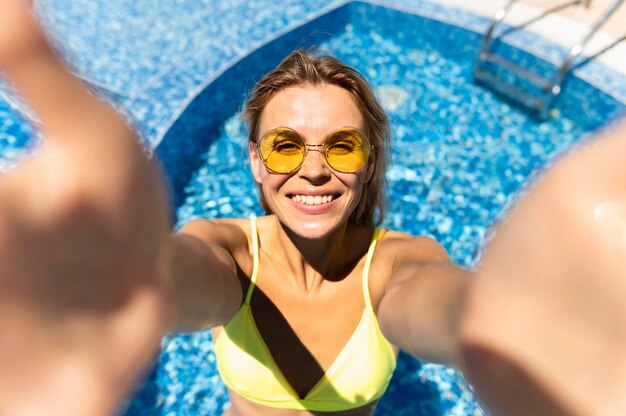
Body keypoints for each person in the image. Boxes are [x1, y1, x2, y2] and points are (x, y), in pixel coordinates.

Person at [1, 2, 625, 416]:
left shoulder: (398, 265)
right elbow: (175, 278)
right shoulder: (227, 254)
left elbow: (441, 305)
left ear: (369, 161)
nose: (313, 168)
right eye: (285, 145)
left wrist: (503, 323)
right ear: (254, 161)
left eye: (342, 146)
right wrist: (110, 279)